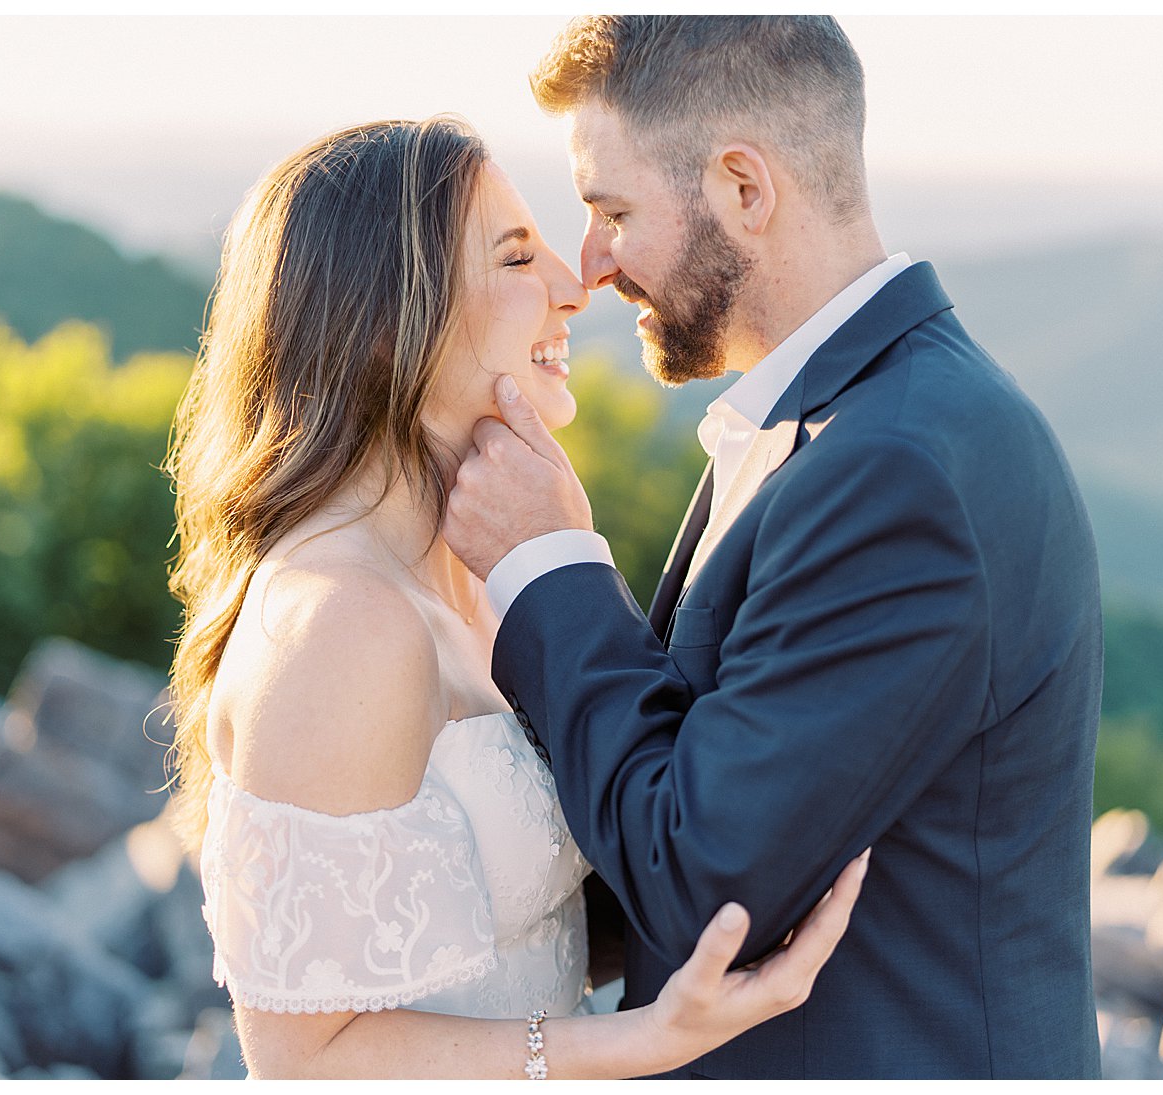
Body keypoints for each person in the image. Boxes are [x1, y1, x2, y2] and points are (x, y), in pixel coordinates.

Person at [443, 16, 1104, 1080]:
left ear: (744, 191)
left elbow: (705, 887)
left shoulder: (899, 471)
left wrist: (550, 568)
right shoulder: (836, 426)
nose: (592, 262)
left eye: (613, 210)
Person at [164, 117, 867, 1080]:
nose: (578, 290)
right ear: (384, 325)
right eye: (514, 258)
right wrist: (640, 1039)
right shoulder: (341, 619)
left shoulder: (468, 579)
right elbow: (306, 1060)